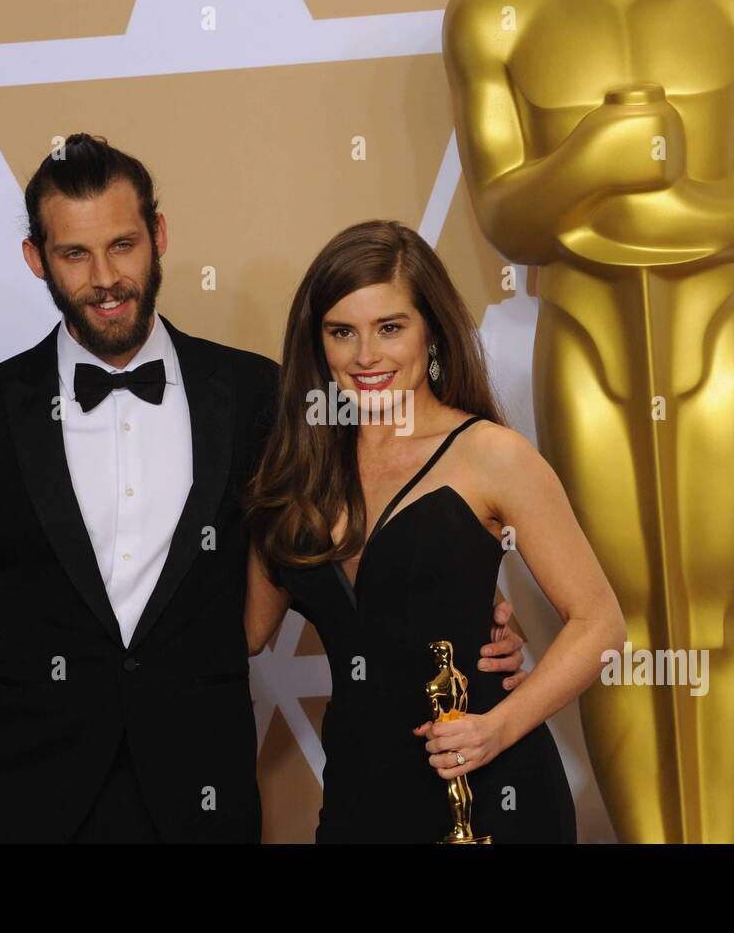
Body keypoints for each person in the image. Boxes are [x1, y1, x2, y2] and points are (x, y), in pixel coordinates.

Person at [0, 134, 528, 843]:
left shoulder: (257, 394)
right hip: (24, 796)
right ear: (36, 260)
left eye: (123, 244)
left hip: (201, 795)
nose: (105, 277)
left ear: (158, 236)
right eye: (74, 253)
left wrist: (475, 608)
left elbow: (365, 517)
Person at [244, 220, 627, 843]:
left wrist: (495, 728)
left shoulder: (490, 454)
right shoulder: (295, 472)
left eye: (390, 328)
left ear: (431, 332)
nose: (366, 356)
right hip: (359, 799)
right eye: (343, 332)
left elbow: (600, 623)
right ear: (319, 345)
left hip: (488, 789)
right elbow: (249, 632)